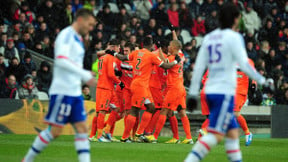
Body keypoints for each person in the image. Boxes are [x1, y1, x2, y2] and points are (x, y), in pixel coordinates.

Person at [185, 3, 268, 162]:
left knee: (232, 134)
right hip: (224, 93)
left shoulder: (209, 38)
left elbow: (199, 68)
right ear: (235, 19)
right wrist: (262, 80)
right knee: (215, 135)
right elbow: (245, 65)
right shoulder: (234, 37)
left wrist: (193, 94)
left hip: (210, 91)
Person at [22, 9, 97, 162]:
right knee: (55, 131)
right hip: (63, 91)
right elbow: (61, 60)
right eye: (89, 24)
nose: (91, 28)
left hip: (75, 92)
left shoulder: (77, 38)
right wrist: (84, 74)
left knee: (82, 129)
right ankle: (27, 160)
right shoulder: (66, 35)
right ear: (81, 20)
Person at [106, 37, 181, 142]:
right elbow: (165, 66)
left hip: (139, 85)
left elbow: (123, 58)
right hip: (140, 86)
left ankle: (139, 133)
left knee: (151, 107)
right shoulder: (151, 56)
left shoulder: (136, 52)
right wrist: (175, 62)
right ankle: (125, 137)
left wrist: (113, 53)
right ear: (151, 45)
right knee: (134, 110)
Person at [146, 39, 193, 144]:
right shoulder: (179, 56)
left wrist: (159, 51)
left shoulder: (172, 58)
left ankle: (154, 136)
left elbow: (164, 63)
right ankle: (187, 137)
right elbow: (166, 59)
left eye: (170, 45)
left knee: (164, 111)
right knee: (181, 112)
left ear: (174, 47)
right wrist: (160, 50)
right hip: (181, 87)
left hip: (173, 88)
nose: (168, 47)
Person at [93, 39, 124, 142]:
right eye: (118, 47)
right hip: (105, 88)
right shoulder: (110, 58)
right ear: (114, 47)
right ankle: (98, 136)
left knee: (116, 108)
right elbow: (110, 74)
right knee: (101, 111)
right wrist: (119, 82)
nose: (119, 49)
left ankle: (106, 131)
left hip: (106, 87)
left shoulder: (102, 57)